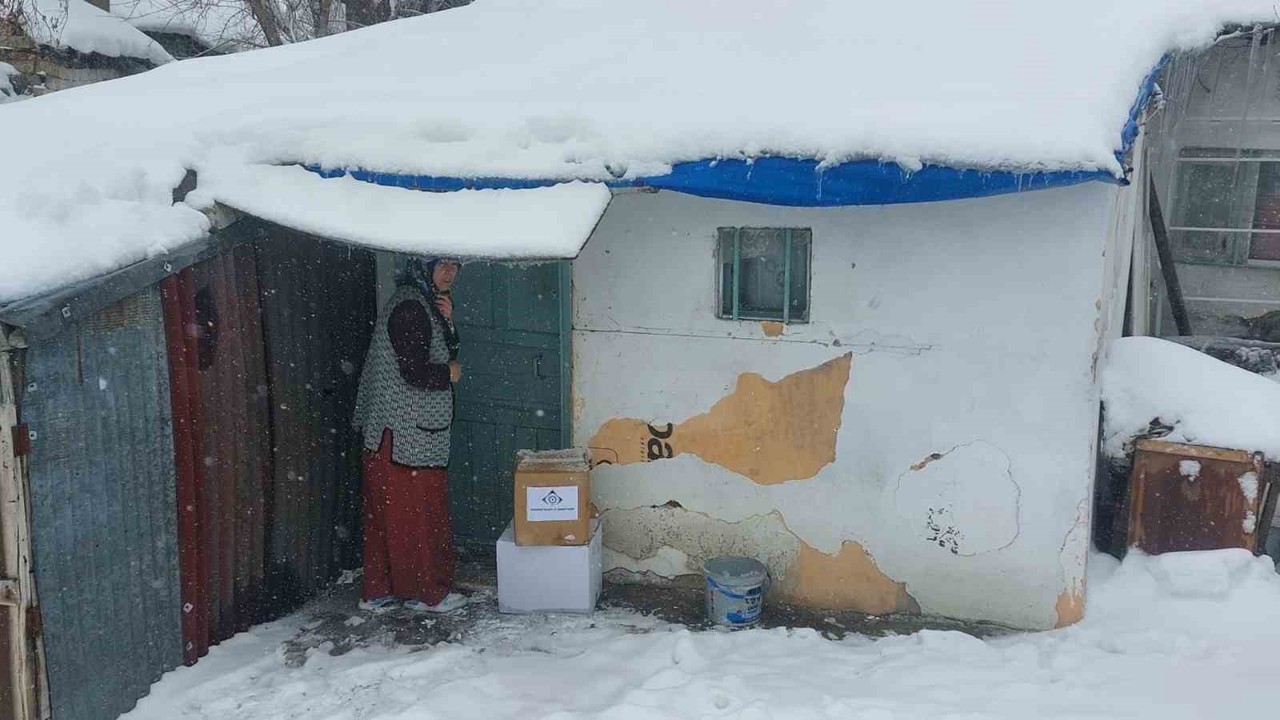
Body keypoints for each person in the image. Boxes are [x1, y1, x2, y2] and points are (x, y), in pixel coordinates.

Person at [352, 256, 468, 613]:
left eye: (455, 265)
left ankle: (382, 589)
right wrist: (448, 373)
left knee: (393, 516)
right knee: (414, 516)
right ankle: (424, 593)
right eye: (442, 264)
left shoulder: (423, 304)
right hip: (402, 435)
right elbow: (414, 370)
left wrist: (448, 322)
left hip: (406, 435)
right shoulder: (409, 308)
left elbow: (435, 350)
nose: (450, 271)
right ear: (423, 266)